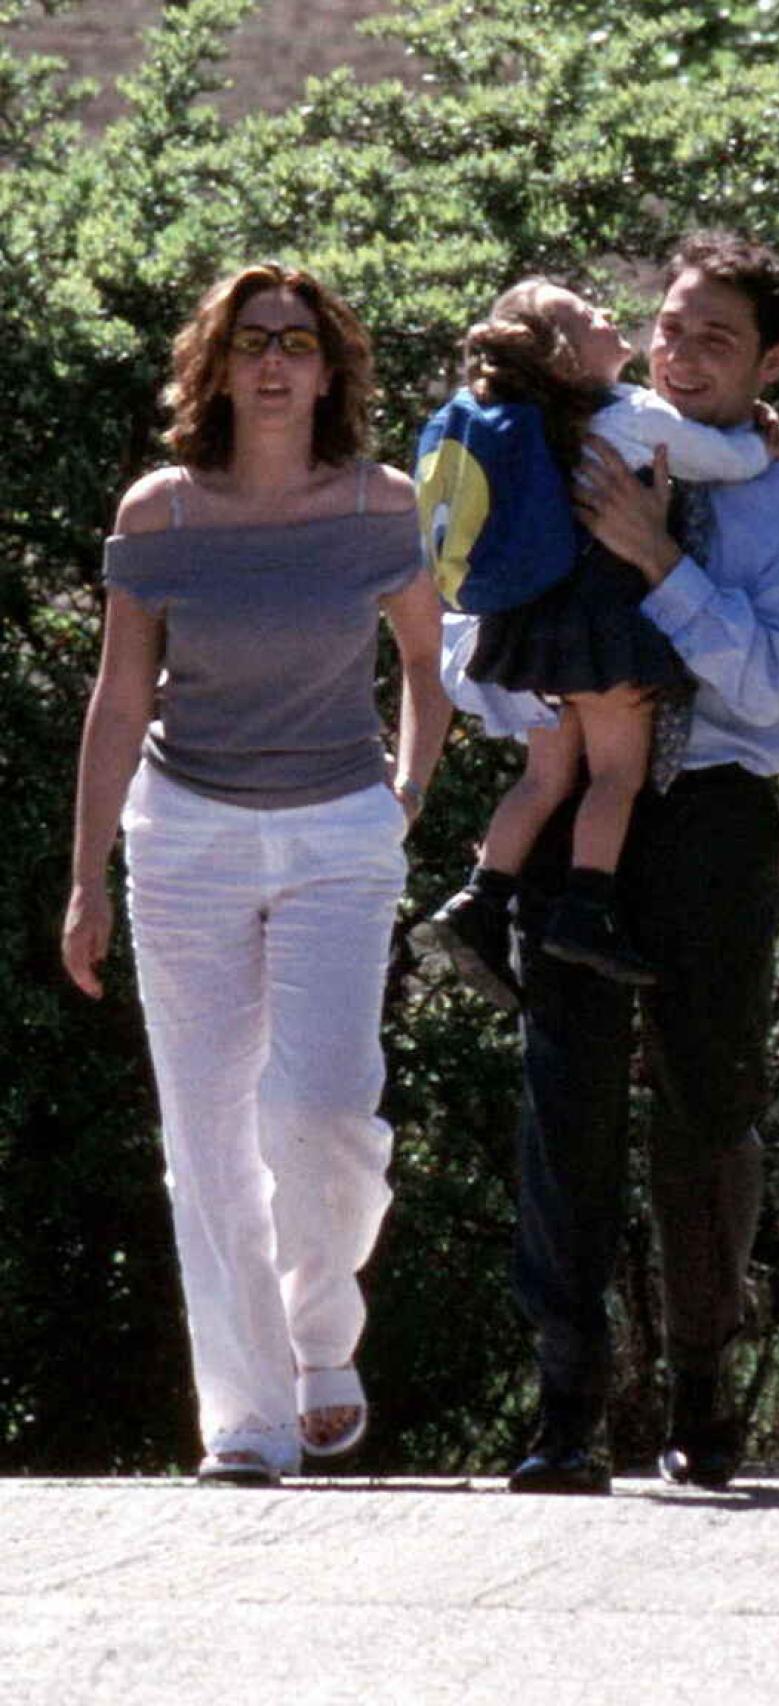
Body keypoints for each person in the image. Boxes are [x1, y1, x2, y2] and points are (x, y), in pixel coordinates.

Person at [446, 232, 779, 1494]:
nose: (677, 355)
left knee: (707, 1105)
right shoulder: (564, 438)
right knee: (560, 1100)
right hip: (583, 802)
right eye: (669, 327)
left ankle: (701, 1390)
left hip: (716, 814)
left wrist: (655, 556)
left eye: (715, 341)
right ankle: (565, 1408)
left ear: (774, 362)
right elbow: (470, 636)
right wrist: (559, 707)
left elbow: (767, 684)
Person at [61, 262, 450, 1485]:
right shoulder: (159, 517)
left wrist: (404, 800)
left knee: (323, 1111)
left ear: (331, 368)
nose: (273, 361)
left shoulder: (381, 507)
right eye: (249, 342)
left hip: (340, 831)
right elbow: (121, 699)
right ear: (214, 368)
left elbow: (429, 668)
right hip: (185, 838)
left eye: (297, 340)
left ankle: (321, 1339)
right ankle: (245, 1414)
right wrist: (86, 876)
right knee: (211, 1133)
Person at [419, 279, 779, 1005]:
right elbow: (723, 461)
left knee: (545, 775)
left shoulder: (532, 421)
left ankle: (480, 897)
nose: (610, 314)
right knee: (617, 771)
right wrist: (765, 447)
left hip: (533, 627)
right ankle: (585, 909)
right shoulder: (632, 414)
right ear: (565, 356)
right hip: (605, 625)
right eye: (588, 317)